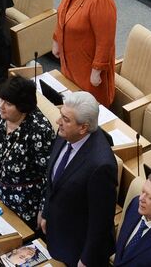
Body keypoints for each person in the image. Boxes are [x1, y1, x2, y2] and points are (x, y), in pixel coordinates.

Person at [41, 91, 118, 267]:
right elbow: (53, 180)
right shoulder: (65, 134)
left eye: (66, 119)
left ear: (83, 127)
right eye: (61, 115)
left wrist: (87, 259)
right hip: (58, 230)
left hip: (78, 247)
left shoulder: (102, 165)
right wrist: (46, 211)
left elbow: (101, 221)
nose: (58, 121)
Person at [0, 76, 55, 228]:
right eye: (1, 99)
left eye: (8, 103)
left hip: (25, 204)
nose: (1, 106)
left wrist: (44, 209)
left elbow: (48, 174)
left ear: (23, 106)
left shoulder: (40, 130)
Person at [54, 0, 118, 106]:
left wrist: (96, 71)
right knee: (70, 101)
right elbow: (61, 14)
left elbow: (106, 41)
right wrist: (56, 40)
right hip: (70, 60)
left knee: (88, 109)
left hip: (87, 68)